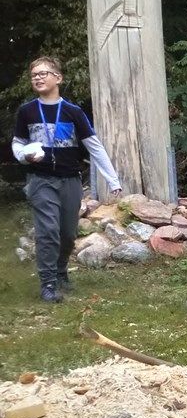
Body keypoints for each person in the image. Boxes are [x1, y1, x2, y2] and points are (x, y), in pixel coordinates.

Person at [11, 56, 122, 302]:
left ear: (58, 78)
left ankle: (61, 271)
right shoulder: (27, 111)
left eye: (43, 73)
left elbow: (94, 147)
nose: (38, 78)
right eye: (34, 75)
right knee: (48, 230)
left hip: (71, 180)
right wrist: (23, 156)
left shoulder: (73, 112)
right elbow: (18, 143)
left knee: (68, 234)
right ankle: (48, 283)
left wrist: (113, 180)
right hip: (40, 180)